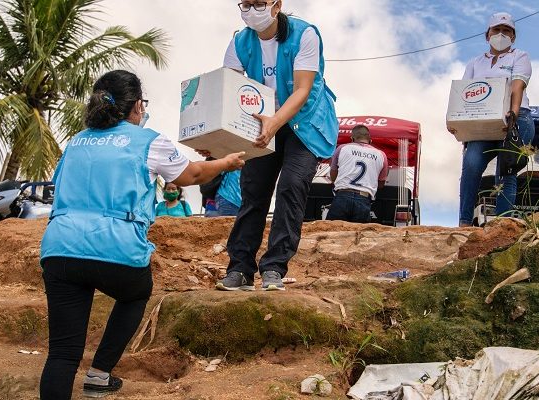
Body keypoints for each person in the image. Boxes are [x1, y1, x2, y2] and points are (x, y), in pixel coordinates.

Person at [38, 70, 244, 399]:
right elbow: (191, 174)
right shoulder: (147, 140)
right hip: (116, 250)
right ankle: (100, 372)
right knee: (135, 293)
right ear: (136, 106)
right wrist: (224, 162)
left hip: (60, 249)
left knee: (62, 354)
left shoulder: (75, 143)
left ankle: (89, 376)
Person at [215, 0, 338, 291]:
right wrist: (216, 137)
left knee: (291, 186)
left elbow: (303, 90)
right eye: (245, 3)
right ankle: (240, 269)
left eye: (258, 3)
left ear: (276, 5)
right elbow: (229, 93)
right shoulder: (239, 41)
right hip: (262, 123)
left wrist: (275, 122)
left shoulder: (305, 34)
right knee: (254, 191)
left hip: (304, 124)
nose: (251, 10)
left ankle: (274, 268)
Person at [457, 12, 535, 227]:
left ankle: (503, 223)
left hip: (516, 118)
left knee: (506, 172)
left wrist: (514, 112)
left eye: (507, 30)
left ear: (514, 36)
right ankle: (464, 221)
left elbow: (518, 84)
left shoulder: (519, 56)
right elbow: (464, 94)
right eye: (496, 30)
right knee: (471, 165)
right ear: (487, 34)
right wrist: (458, 125)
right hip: (482, 122)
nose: (501, 34)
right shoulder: (475, 63)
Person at [327, 125, 388, 223]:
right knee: (358, 236)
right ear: (370, 140)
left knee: (332, 233)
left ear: (352, 138)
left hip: (342, 196)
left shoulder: (342, 148)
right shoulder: (381, 155)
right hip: (363, 199)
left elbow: (333, 176)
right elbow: (381, 184)